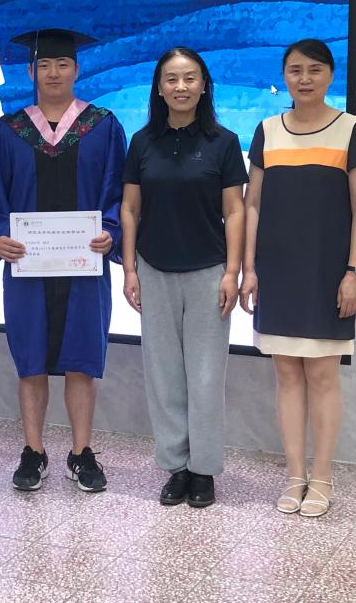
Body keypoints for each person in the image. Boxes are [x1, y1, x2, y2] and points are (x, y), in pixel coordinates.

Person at [0, 28, 126, 493]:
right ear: (30, 71)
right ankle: (34, 450)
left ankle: (82, 452)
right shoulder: (9, 131)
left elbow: (119, 192)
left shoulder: (103, 126)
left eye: (62, 64)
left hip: (85, 267)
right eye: (44, 65)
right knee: (31, 360)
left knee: (82, 359)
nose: (53, 73)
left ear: (76, 69)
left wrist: (111, 230)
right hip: (27, 267)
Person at [240, 38, 356, 518]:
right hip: (276, 271)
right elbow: (252, 205)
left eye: (314, 70)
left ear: (330, 75)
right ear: (284, 75)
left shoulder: (351, 130)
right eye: (295, 70)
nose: (304, 78)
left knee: (321, 375)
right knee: (285, 374)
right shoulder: (267, 131)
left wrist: (353, 272)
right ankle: (295, 475)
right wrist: (249, 268)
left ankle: (322, 477)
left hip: (326, 274)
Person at [120, 47, 247, 508]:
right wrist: (129, 268)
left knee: (206, 377)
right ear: (159, 87)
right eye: (172, 79)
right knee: (164, 376)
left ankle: (204, 469)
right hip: (154, 270)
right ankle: (176, 466)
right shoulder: (142, 142)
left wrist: (232, 271)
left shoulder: (223, 142)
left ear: (204, 85)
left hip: (209, 271)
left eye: (190, 78)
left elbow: (235, 211)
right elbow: (129, 208)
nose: (181, 87)